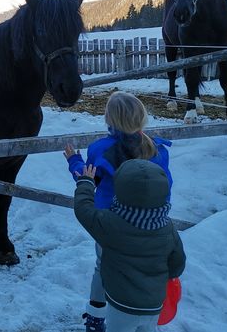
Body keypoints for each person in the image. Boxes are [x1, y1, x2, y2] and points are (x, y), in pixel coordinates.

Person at [63, 91, 173, 332]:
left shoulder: (100, 150)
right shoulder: (157, 150)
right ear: (142, 117)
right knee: (141, 266)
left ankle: (96, 317)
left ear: (109, 120)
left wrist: (74, 161)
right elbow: (164, 186)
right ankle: (142, 312)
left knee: (103, 266)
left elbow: (87, 178)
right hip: (147, 224)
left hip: (109, 224)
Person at [73, 160, 186, 332]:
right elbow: (177, 265)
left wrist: (86, 183)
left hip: (121, 305)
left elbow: (83, 209)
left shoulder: (110, 224)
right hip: (153, 304)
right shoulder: (167, 227)